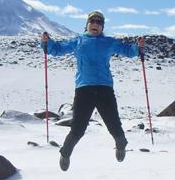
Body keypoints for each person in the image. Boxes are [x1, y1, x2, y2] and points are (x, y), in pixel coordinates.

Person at [41, 11, 145, 171]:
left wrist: (138, 48)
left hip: (104, 89)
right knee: (78, 128)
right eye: (92, 21)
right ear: (87, 24)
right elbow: (57, 49)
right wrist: (47, 43)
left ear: (102, 26)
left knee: (114, 124)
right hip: (84, 89)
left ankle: (121, 144)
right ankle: (65, 153)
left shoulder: (109, 42)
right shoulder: (78, 41)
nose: (95, 24)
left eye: (99, 22)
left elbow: (128, 51)